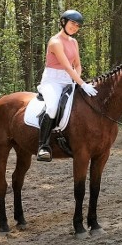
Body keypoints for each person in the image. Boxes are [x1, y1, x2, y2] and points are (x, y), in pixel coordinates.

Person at [36, 9, 98, 162]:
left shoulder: (74, 42)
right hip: (53, 81)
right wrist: (82, 84)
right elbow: (66, 66)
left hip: (69, 79)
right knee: (52, 108)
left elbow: (77, 65)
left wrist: (76, 81)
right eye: (72, 23)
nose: (75, 27)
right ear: (63, 22)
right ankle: (43, 146)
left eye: (78, 26)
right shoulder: (55, 42)